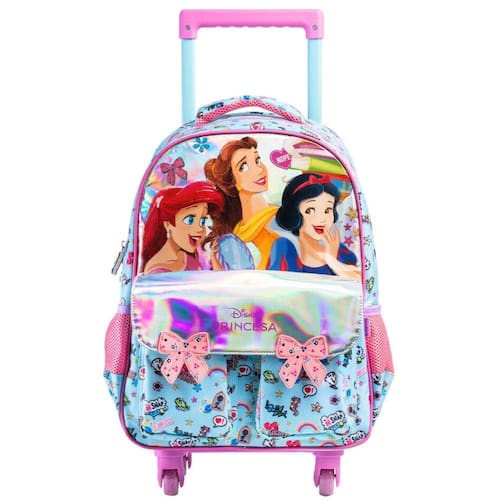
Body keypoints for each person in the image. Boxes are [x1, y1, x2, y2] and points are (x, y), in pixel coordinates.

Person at [204, 136, 279, 269]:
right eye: (243, 166)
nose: (259, 169)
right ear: (232, 181)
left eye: (257, 160)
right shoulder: (236, 230)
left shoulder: (276, 219)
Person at [269, 173, 361, 278]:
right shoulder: (285, 248)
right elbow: (280, 283)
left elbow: (358, 279)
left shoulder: (337, 249)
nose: (322, 219)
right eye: (310, 210)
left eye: (327, 210)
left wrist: (332, 260)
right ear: (294, 214)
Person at [141, 182, 224, 274]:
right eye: (190, 220)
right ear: (168, 224)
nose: (200, 229)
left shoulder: (185, 257)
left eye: (202, 221)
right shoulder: (158, 272)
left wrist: (214, 261)